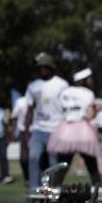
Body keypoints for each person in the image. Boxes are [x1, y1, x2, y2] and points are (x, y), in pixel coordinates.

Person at [47, 67, 102, 185]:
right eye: (89, 79)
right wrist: (97, 109)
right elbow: (89, 116)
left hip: (66, 129)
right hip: (82, 129)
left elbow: (62, 110)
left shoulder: (65, 92)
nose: (91, 81)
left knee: (62, 167)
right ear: (84, 80)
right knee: (92, 166)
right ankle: (98, 195)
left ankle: (53, 198)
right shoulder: (88, 93)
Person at [24, 52, 69, 190]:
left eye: (45, 67)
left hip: (56, 129)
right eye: (39, 67)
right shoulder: (33, 86)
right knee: (33, 157)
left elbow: (67, 108)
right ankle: (34, 191)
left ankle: (52, 192)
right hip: (38, 129)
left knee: (53, 162)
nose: (42, 70)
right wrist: (26, 130)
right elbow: (30, 109)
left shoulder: (62, 84)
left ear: (51, 67)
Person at [10, 93, 29, 181]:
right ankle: (27, 177)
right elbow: (14, 117)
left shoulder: (40, 98)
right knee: (23, 158)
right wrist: (13, 131)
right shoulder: (20, 101)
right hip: (23, 132)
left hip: (37, 131)